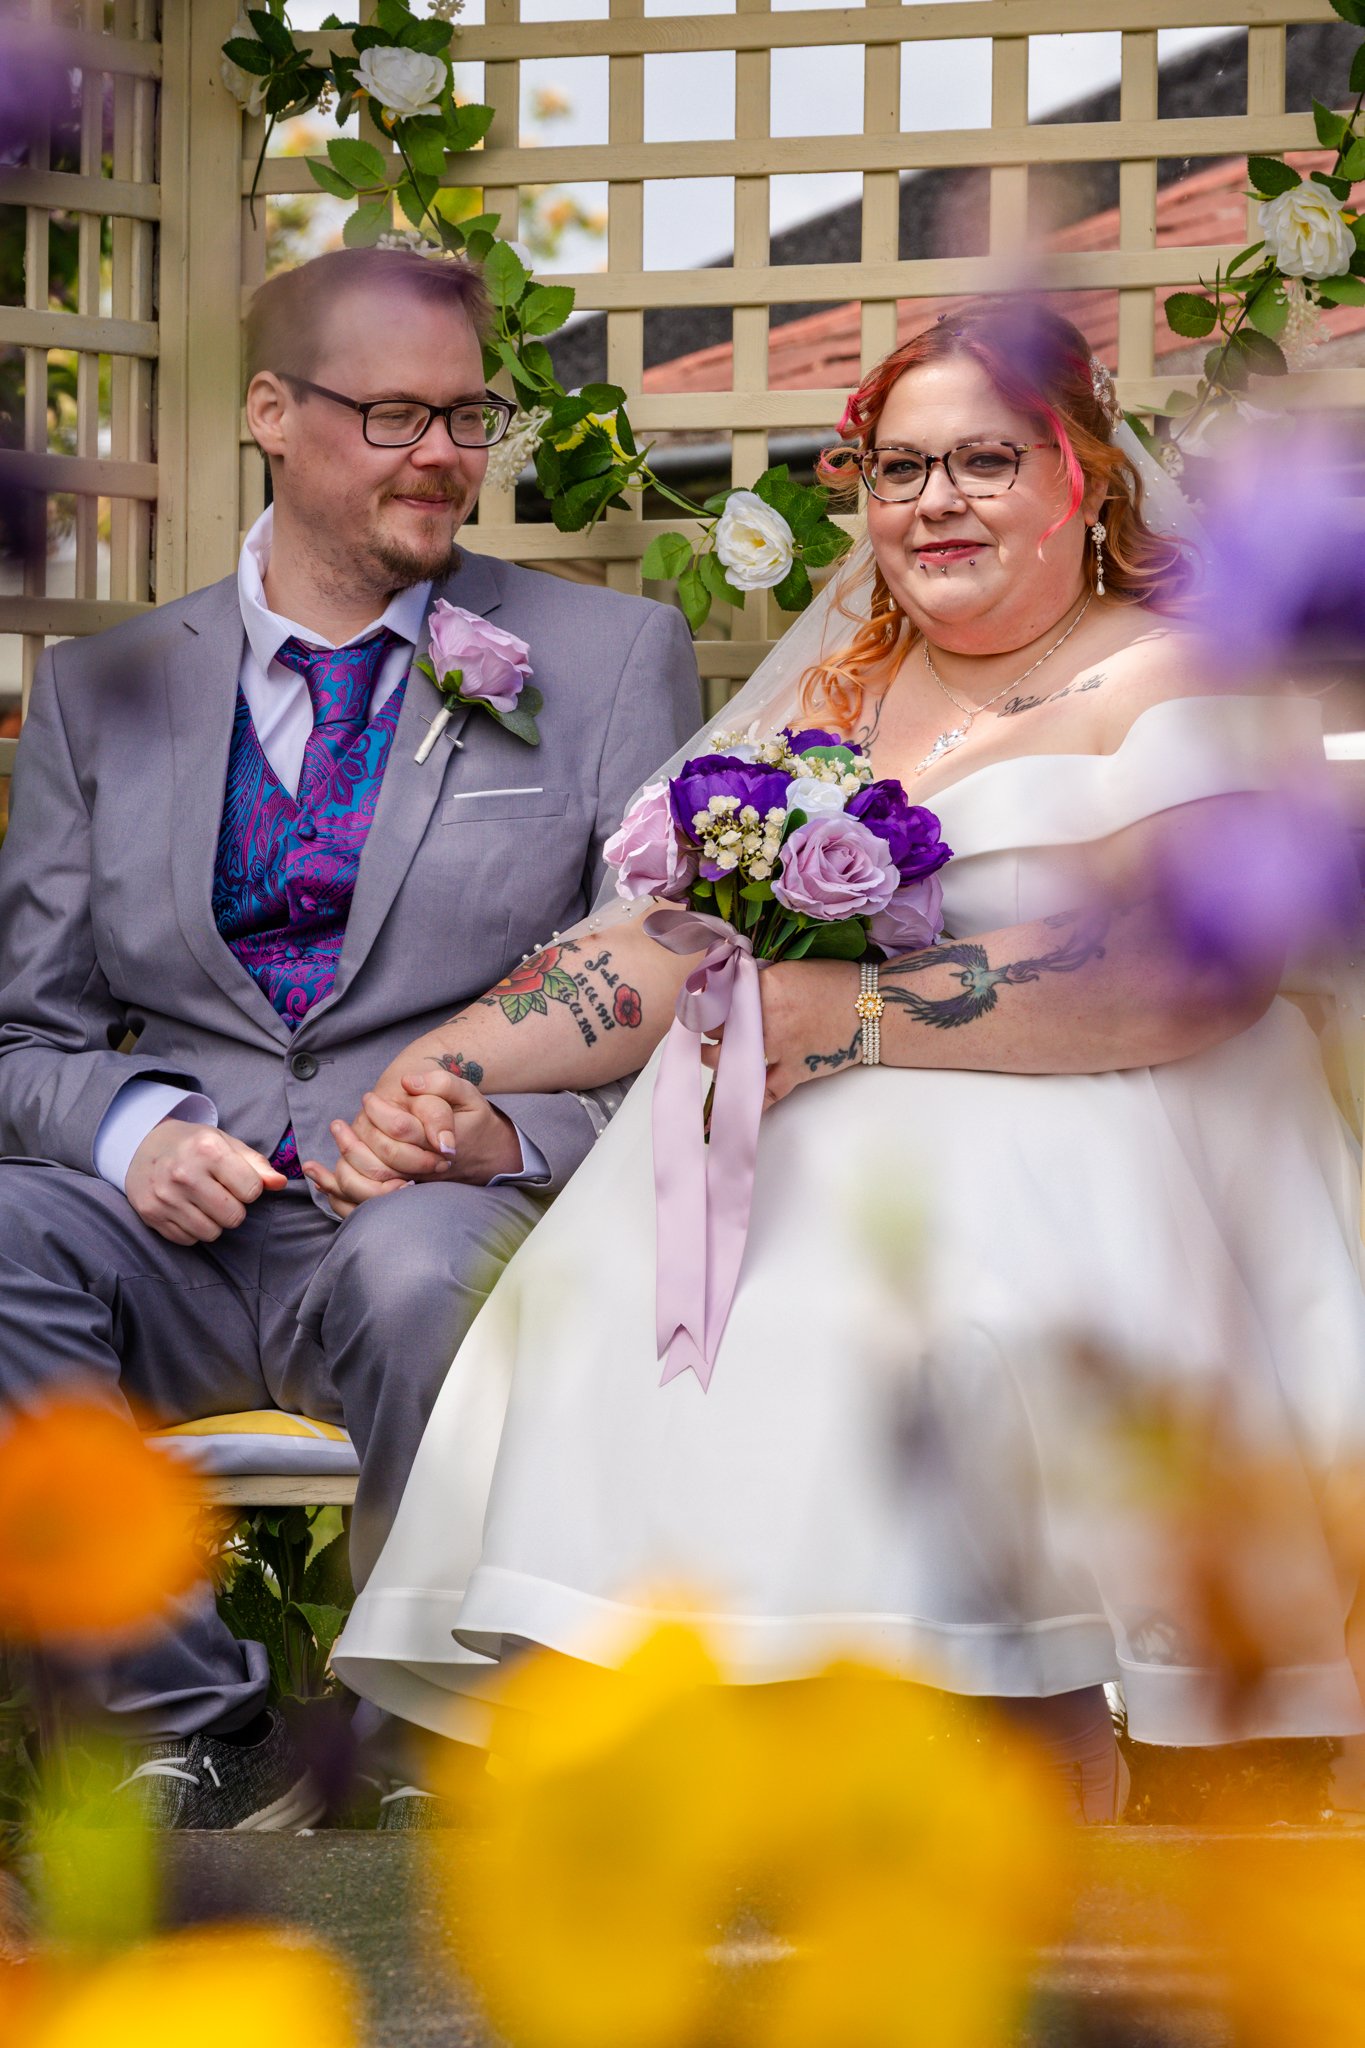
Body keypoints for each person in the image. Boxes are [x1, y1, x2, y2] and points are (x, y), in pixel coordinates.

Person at [325, 301, 1365, 1818]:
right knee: (610, 1291)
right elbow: (668, 939)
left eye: (981, 461)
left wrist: (855, 1017)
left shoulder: (1178, 679)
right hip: (789, 1152)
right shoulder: (836, 702)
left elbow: (1181, 969)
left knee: (922, 1328)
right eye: (896, 467)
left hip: (1119, 1139)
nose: (931, 500)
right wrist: (461, 1061)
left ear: (1082, 476)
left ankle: (1035, 1768)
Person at [0, 245, 701, 1828]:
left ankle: (421, 1748)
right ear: (269, 410)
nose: (442, 455)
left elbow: (677, 998)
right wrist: (133, 1134)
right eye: (392, 415)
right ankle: (176, 1725)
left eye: (467, 417)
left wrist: (506, 1135)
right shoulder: (99, 688)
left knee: (421, 1271)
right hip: (166, 1229)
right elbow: (22, 1037)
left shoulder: (602, 664)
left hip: (433, 1212)